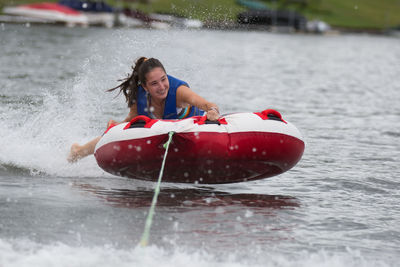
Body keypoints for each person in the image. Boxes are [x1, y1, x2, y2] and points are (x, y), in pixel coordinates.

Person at [68, 57, 220, 162]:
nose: (161, 87)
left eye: (163, 79)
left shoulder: (179, 92)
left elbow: (207, 105)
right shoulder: (139, 96)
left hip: (192, 133)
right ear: (145, 87)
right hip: (166, 138)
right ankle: (78, 151)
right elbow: (131, 121)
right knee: (115, 131)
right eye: (154, 84)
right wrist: (116, 127)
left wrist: (212, 111)